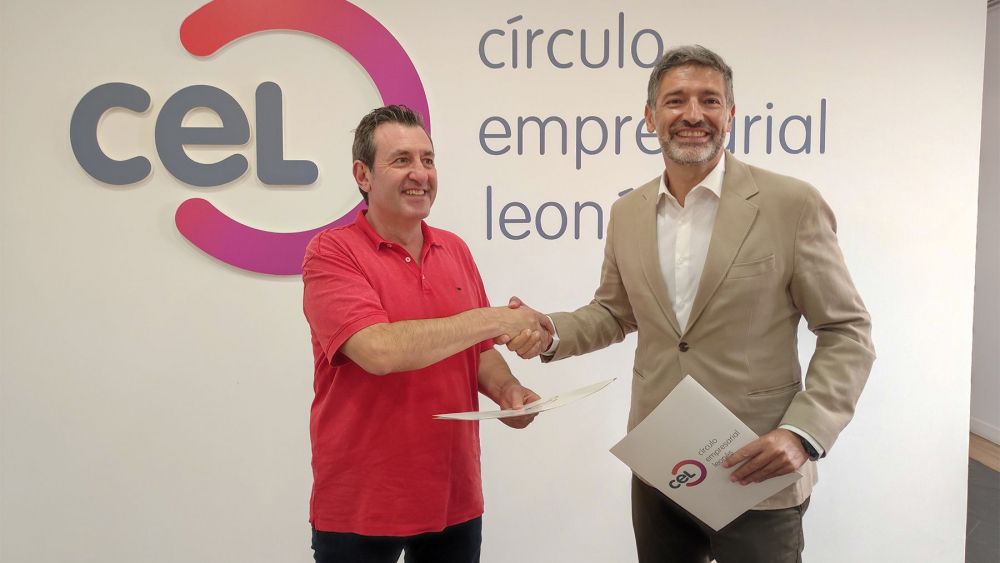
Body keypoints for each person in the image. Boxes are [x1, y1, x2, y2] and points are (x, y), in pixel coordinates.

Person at [509, 45, 875, 563]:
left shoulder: (791, 204)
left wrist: (803, 433)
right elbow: (614, 311)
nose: (693, 114)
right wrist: (551, 330)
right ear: (650, 116)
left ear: (731, 114)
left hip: (757, 469)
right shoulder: (628, 212)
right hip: (660, 463)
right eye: (676, 100)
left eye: (710, 100)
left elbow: (846, 332)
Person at [301, 105, 544, 563]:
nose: (421, 174)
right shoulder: (331, 253)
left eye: (427, 160)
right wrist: (497, 318)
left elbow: (478, 351)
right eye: (402, 160)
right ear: (363, 175)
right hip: (362, 503)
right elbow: (378, 350)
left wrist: (508, 391)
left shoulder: (454, 249)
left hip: (453, 497)